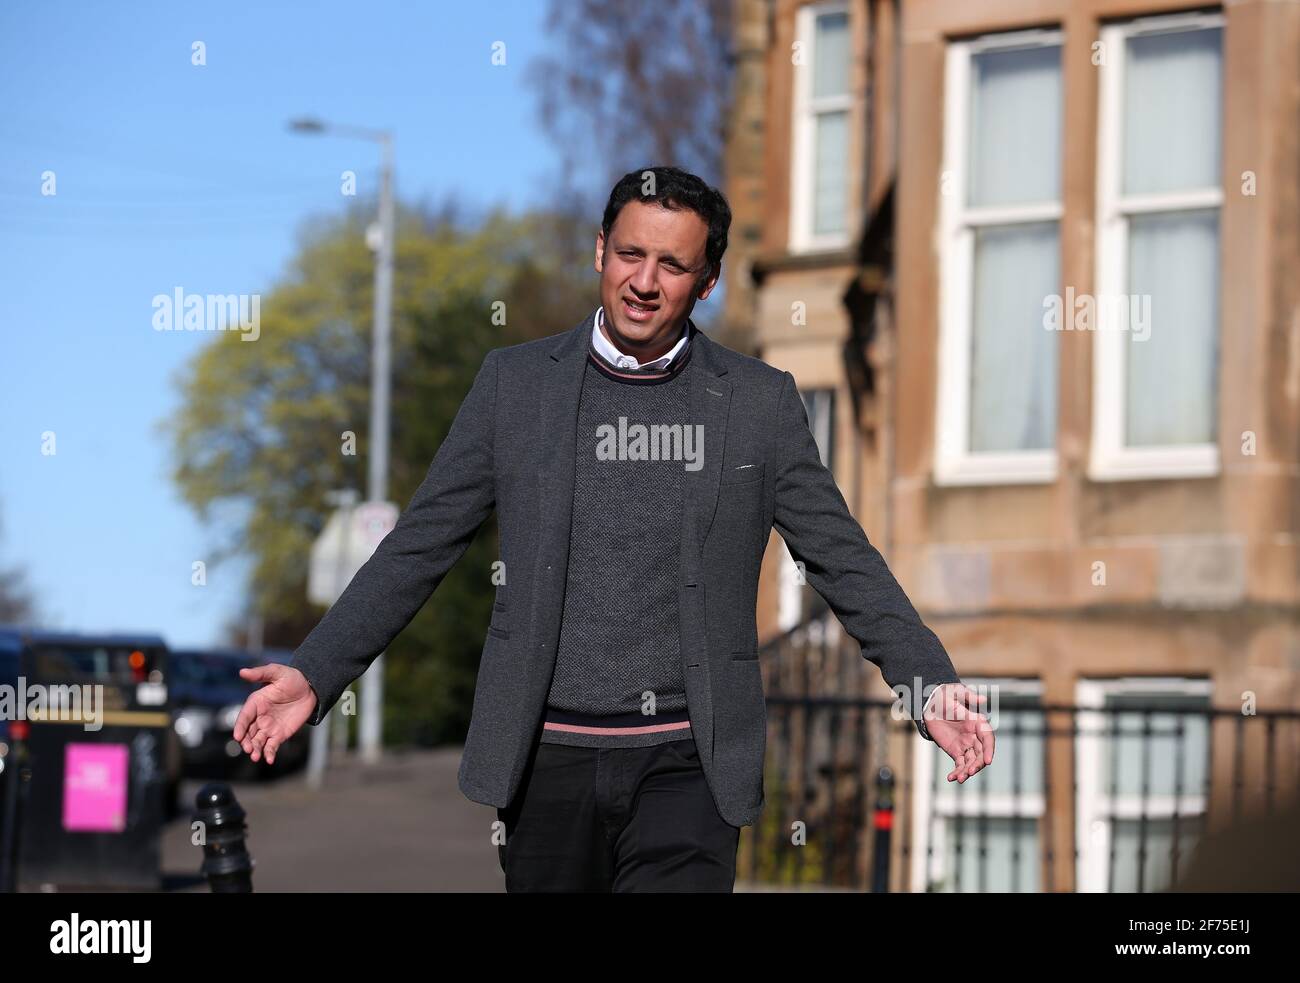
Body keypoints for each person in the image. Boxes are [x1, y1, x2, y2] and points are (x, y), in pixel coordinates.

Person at [233, 165, 995, 892]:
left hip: (690, 765)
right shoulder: (517, 386)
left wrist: (926, 682)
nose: (643, 280)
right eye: (630, 253)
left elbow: (840, 555)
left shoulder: (758, 405)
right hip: (547, 761)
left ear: (707, 280)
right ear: (601, 249)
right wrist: (317, 670)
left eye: (672, 264)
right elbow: (421, 542)